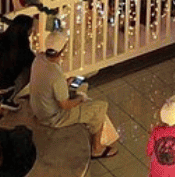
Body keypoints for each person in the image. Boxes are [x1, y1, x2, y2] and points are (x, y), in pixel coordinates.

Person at [30, 30, 117, 158]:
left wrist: (66, 84)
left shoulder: (38, 59)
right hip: (53, 117)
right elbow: (65, 105)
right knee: (100, 107)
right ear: (62, 50)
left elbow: (48, 85)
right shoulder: (56, 75)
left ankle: (88, 124)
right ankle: (97, 148)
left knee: (82, 86)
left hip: (39, 110)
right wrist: (80, 99)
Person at [0, 13, 35, 111]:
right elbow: (31, 60)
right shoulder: (21, 46)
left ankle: (0, 96)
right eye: (31, 28)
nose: (32, 30)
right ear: (25, 30)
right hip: (6, 84)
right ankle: (8, 97)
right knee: (32, 68)